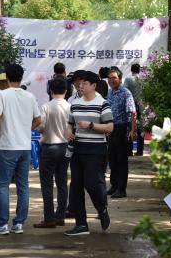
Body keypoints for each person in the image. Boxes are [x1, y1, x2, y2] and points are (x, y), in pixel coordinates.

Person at [0, 63, 42, 235]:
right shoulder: (30, 96)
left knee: (3, 186)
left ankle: (2, 224)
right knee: (22, 186)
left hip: (7, 146)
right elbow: (38, 121)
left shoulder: (1, 95)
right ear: (21, 77)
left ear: (7, 77)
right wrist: (26, 128)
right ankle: (19, 224)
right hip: (24, 147)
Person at [64, 71, 113, 236]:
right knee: (75, 187)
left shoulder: (103, 103)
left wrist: (91, 125)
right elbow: (70, 123)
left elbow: (109, 127)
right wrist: (69, 132)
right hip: (78, 148)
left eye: (84, 83)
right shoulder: (75, 103)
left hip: (96, 149)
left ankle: (102, 208)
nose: (80, 86)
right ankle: (81, 224)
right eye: (79, 83)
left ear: (93, 85)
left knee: (92, 183)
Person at [33, 78, 71, 228]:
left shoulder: (46, 107)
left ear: (50, 91)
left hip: (49, 147)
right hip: (65, 147)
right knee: (62, 183)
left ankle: (49, 218)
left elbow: (40, 127)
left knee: (47, 184)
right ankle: (60, 216)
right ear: (66, 91)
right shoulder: (70, 107)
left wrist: (42, 129)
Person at [106, 67, 137, 199]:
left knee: (121, 160)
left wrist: (133, 130)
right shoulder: (109, 93)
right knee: (112, 158)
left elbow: (133, 112)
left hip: (122, 128)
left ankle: (121, 189)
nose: (112, 80)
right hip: (111, 129)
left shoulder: (125, 92)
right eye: (110, 78)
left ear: (120, 79)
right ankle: (114, 185)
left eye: (114, 78)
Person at [124, 63, 144, 156]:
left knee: (130, 126)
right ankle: (140, 151)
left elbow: (125, 91)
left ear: (131, 70)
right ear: (139, 70)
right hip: (141, 106)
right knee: (140, 128)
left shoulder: (128, 79)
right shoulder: (143, 79)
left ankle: (129, 150)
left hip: (131, 105)